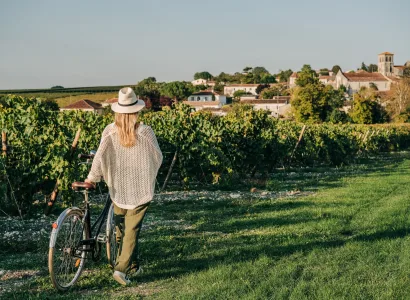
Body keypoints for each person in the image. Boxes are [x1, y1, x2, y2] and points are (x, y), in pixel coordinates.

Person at [85, 87, 163, 285]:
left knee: (121, 227)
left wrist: (92, 178)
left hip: (118, 186)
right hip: (140, 187)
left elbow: (99, 157)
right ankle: (120, 269)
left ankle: (132, 265)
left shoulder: (110, 131)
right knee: (131, 229)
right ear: (136, 110)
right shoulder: (145, 132)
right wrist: (147, 171)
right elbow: (158, 156)